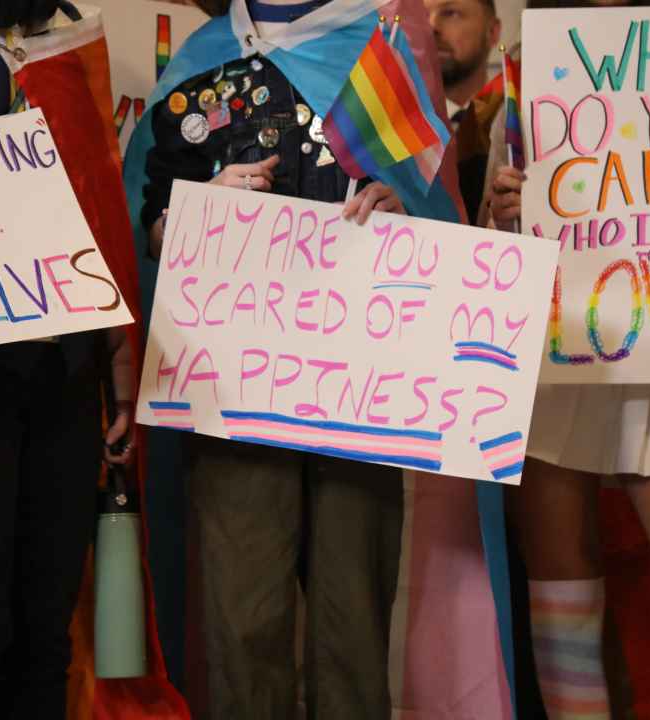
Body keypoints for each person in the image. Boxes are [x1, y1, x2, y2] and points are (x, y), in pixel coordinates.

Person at [133, 1, 441, 718]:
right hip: (235, 389)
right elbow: (149, 218)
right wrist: (194, 211)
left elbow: (433, 203)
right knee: (243, 620)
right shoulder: (202, 58)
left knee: (353, 621)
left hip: (362, 386)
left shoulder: (383, 47)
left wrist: (403, 215)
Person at [0, 2, 141, 718]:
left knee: (46, 640)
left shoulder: (68, 39)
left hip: (66, 377)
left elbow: (99, 199)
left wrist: (119, 364)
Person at [488, 1, 650, 718]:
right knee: (559, 568)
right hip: (556, 340)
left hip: (645, 340)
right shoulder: (531, 73)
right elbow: (495, 226)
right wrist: (502, 208)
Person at [423, 0, 501, 126]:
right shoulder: (384, 126)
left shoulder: (522, 125)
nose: (431, 27)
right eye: (420, 15)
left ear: (492, 31)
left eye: (450, 13)